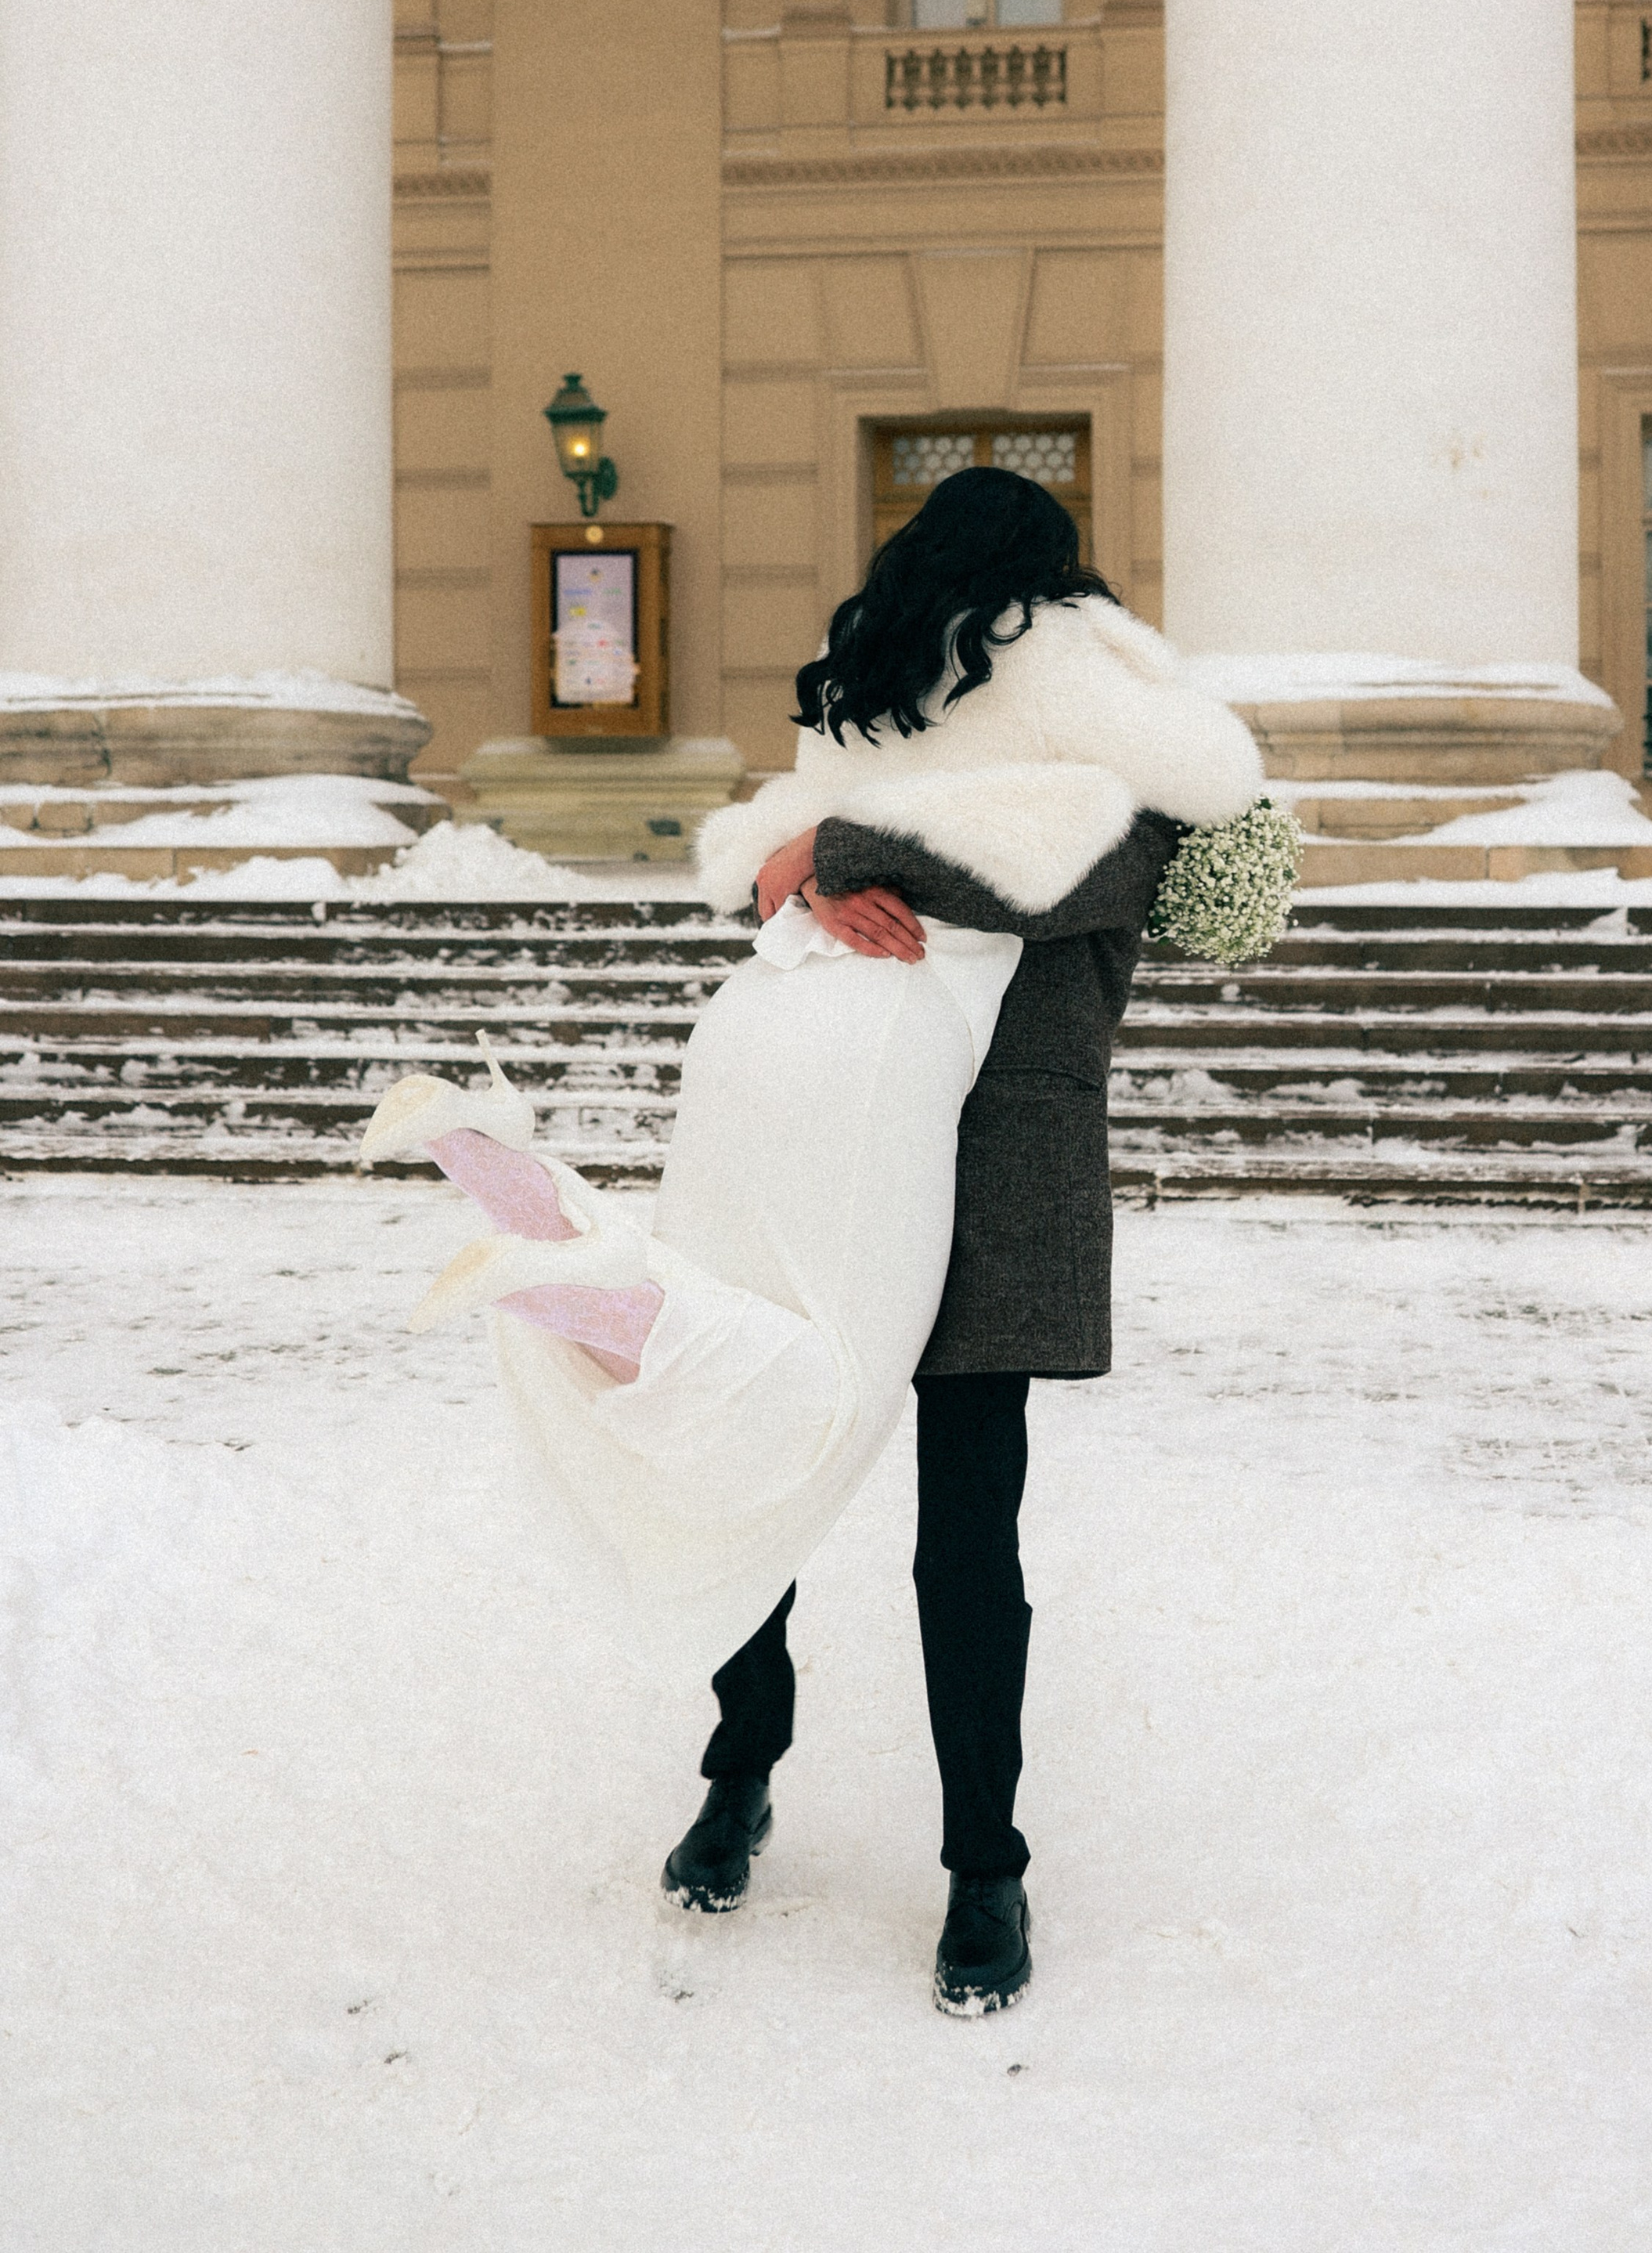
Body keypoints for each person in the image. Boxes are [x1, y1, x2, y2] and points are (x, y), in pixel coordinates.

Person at [365, 469, 1261, 2013]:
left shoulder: (941, 693)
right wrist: (817, 858)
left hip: (994, 1149)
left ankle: (977, 1862)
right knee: (779, 1441)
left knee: (925, 1514)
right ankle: (763, 1785)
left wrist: (851, 851)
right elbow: (820, 860)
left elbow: (1129, 865)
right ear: (1054, 578)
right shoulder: (1013, 670)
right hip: (852, 1113)